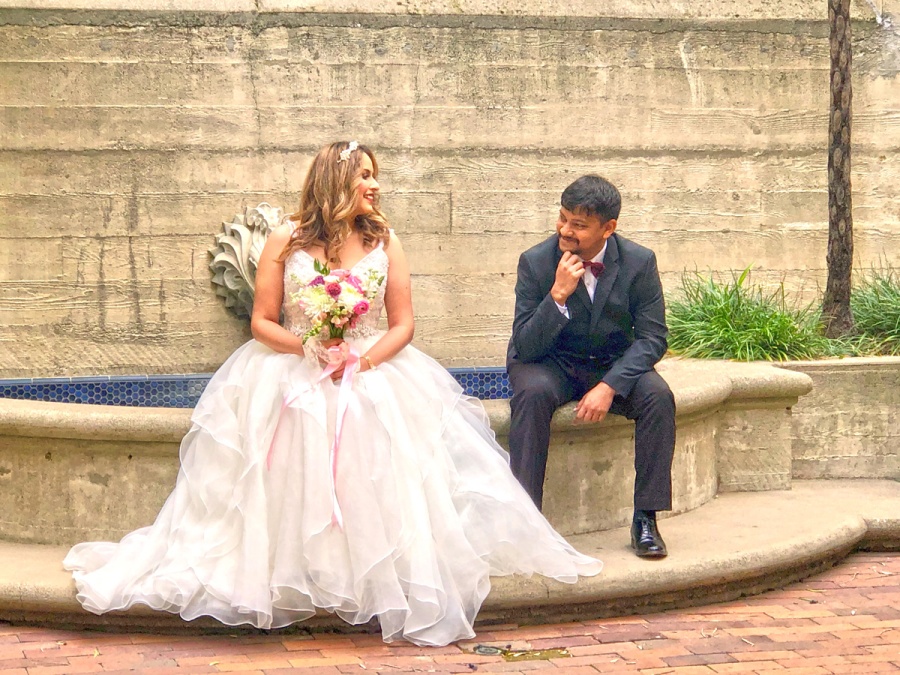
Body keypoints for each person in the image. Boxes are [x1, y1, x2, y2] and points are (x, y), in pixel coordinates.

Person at [63, 141, 602, 647]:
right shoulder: (286, 240)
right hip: (296, 364)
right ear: (336, 180)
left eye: (375, 176)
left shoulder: (384, 242)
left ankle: (372, 572)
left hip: (371, 366)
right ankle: (295, 570)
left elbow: (403, 325)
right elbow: (260, 322)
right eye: (365, 175)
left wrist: (361, 361)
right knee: (296, 431)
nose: (375, 185)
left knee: (375, 433)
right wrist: (309, 349)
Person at [506, 174, 675, 559]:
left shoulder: (638, 261)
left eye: (578, 225)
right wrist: (557, 295)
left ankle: (646, 519)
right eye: (562, 218)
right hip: (550, 362)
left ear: (608, 228)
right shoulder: (535, 262)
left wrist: (610, 385)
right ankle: (524, 520)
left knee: (658, 397)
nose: (565, 230)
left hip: (609, 363)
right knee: (530, 394)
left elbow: (653, 338)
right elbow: (525, 345)